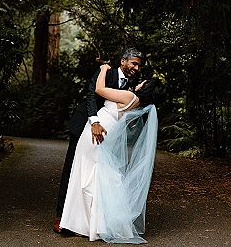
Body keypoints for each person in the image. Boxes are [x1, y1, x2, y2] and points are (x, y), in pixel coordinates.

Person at [59, 63, 166, 243]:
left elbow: (99, 89)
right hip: (100, 136)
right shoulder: (137, 104)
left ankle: (88, 225)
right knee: (94, 177)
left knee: (85, 176)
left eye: (145, 82)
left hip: (96, 136)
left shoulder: (130, 96)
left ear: (147, 88)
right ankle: (94, 224)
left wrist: (103, 69)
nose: (141, 82)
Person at [54, 48, 144, 233]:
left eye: (138, 65)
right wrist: (94, 122)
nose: (136, 68)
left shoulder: (129, 84)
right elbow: (91, 96)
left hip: (105, 134)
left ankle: (85, 220)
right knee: (72, 170)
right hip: (84, 126)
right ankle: (61, 217)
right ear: (123, 61)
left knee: (95, 174)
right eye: (134, 63)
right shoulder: (106, 72)